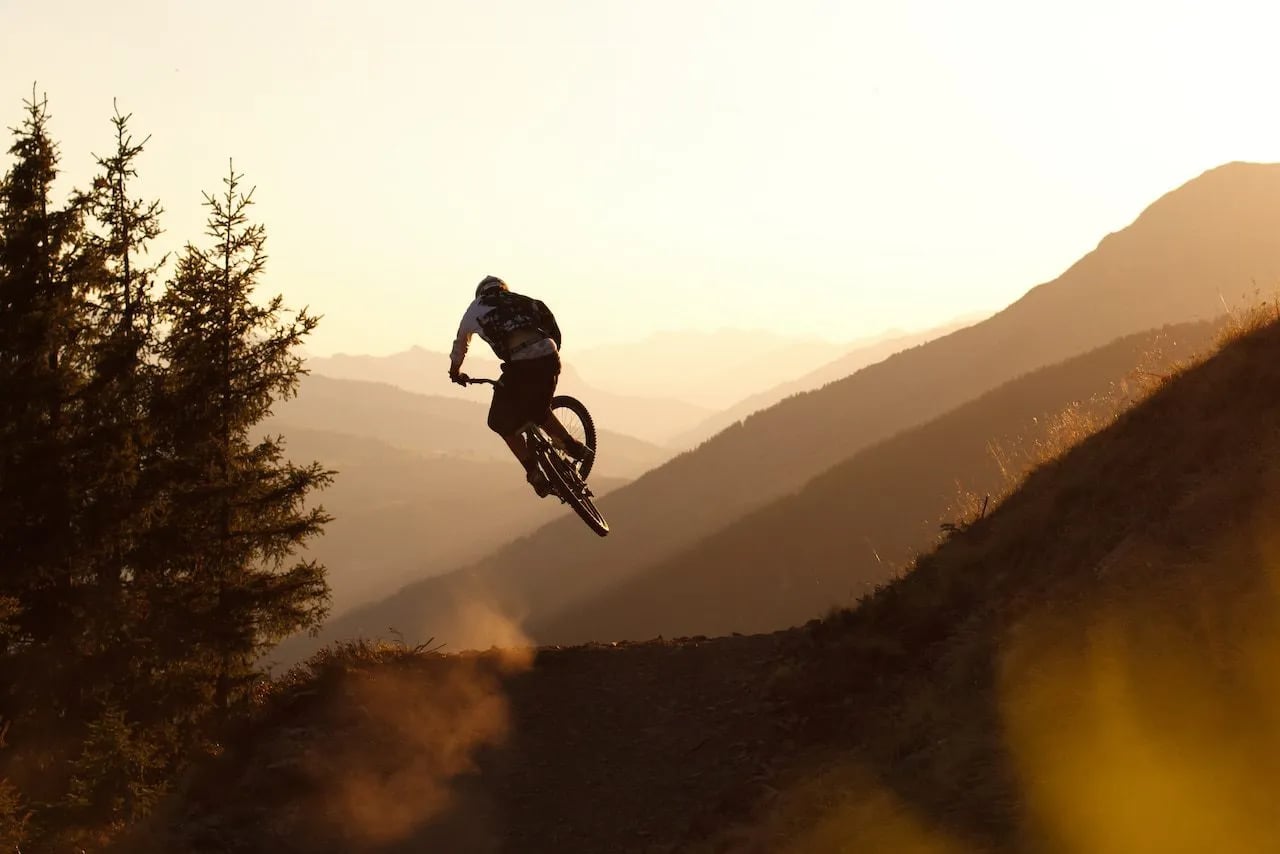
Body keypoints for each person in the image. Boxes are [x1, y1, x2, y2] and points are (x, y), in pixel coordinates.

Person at [449, 275, 591, 496]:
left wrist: (455, 372)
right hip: (549, 357)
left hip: (521, 365)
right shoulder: (521, 300)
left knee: (498, 421)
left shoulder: (475, 309)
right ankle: (573, 446)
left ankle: (534, 473)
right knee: (539, 408)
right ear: (503, 288)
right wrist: (551, 350)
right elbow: (549, 319)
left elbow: (461, 345)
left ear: (480, 293)